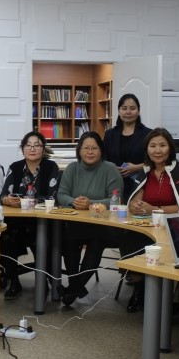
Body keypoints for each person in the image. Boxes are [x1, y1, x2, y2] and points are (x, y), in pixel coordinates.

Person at [127, 127, 179, 312]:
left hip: (177, 226)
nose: (157, 150)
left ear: (170, 148)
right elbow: (137, 198)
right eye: (152, 146)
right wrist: (135, 205)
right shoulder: (146, 171)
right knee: (129, 236)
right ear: (147, 149)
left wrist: (155, 209)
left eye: (162, 145)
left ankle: (166, 294)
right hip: (149, 224)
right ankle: (139, 286)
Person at [56, 131, 124, 306]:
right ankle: (76, 288)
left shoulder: (110, 169)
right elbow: (61, 195)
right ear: (79, 150)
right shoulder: (72, 168)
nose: (90, 152)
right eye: (86, 148)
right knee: (68, 239)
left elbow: (116, 200)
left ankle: (73, 289)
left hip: (104, 225)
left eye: (94, 148)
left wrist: (90, 204)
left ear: (101, 150)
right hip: (77, 223)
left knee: (96, 240)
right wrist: (74, 202)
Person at [0, 131, 61, 300]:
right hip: (17, 222)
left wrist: (27, 201)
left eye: (37, 145)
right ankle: (13, 281)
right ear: (23, 148)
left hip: (41, 221)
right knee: (5, 238)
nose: (32, 149)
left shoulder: (51, 167)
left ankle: (43, 282)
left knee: (41, 239)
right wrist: (7, 200)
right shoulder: (15, 167)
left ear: (43, 149)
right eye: (28, 145)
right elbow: (3, 195)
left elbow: (52, 197)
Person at [103, 93, 152, 199]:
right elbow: (104, 159)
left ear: (138, 111)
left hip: (140, 184)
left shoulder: (148, 134)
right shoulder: (110, 134)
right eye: (124, 108)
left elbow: (155, 161)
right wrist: (112, 168)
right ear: (119, 110)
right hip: (113, 184)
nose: (128, 112)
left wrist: (136, 168)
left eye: (132, 108)